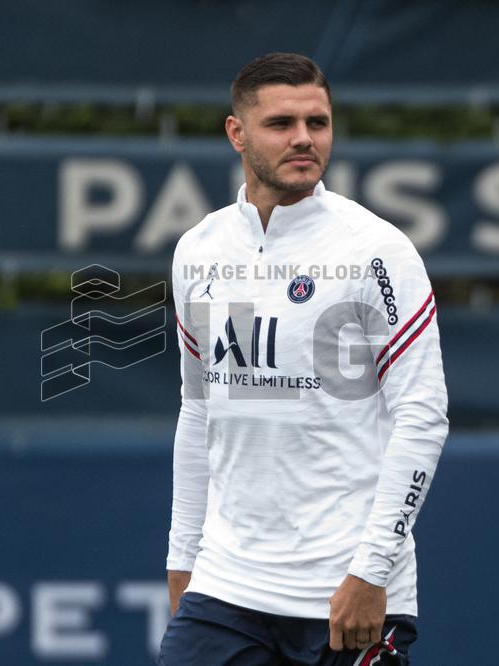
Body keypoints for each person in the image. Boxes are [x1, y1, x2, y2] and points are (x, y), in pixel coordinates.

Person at [160, 53, 448, 665]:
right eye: (281, 123)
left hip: (346, 590)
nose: (303, 138)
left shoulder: (377, 251)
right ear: (236, 133)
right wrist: (183, 559)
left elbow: (422, 418)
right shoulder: (199, 250)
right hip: (228, 585)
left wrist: (372, 572)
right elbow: (197, 410)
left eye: (318, 122)